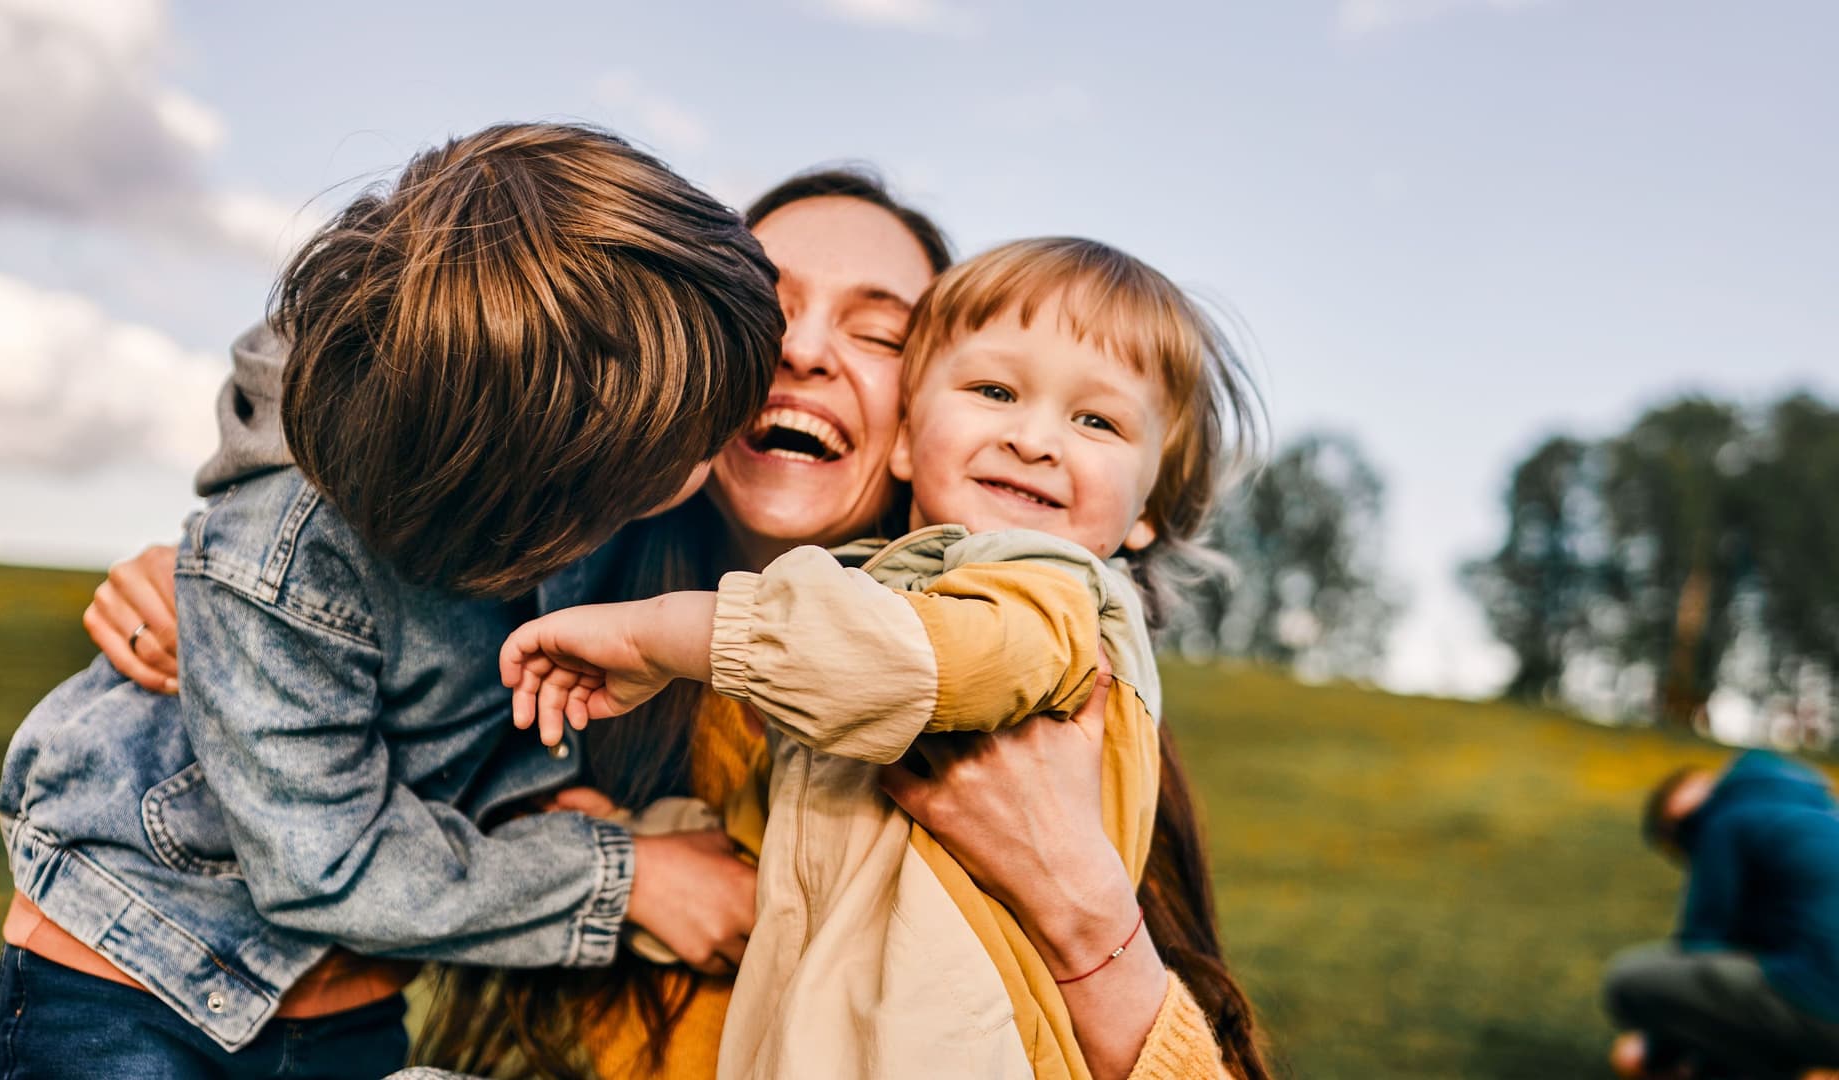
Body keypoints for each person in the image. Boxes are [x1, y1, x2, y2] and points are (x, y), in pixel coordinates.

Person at [83, 171, 1266, 1080]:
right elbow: (406, 368)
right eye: (765, 308)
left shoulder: (1046, 692)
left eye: (882, 333)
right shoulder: (546, 605)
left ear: (920, 412)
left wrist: (1087, 920)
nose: (803, 349)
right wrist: (241, 568)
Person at [0, 122, 782, 1078]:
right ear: (539, 480)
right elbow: (322, 863)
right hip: (135, 970)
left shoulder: (558, 481)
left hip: (349, 995)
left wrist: (528, 791)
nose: (722, 440)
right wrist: (622, 879)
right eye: (693, 435)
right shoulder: (288, 554)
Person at [1606, 751, 1839, 1080]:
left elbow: (1702, 946)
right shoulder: (1820, 811)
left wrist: (1655, 1054)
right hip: (1816, 1001)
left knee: (1629, 982)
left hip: (1825, 1010)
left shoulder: (1722, 818)